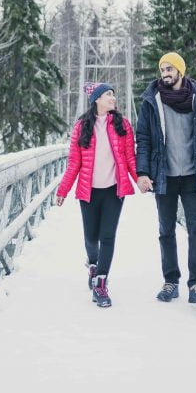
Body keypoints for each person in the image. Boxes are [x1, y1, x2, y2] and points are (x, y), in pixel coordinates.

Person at [135, 52, 196, 305]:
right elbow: (143, 140)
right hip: (164, 175)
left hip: (194, 174)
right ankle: (171, 281)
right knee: (166, 230)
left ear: (180, 72)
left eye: (170, 69)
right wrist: (142, 173)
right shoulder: (152, 101)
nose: (165, 73)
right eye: (162, 69)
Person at [55, 81, 140, 308]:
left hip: (114, 190)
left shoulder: (123, 125)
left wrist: (139, 178)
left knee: (108, 236)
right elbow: (74, 163)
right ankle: (93, 263)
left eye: (114, 94)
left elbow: (130, 158)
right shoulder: (82, 126)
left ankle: (101, 283)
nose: (113, 98)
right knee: (91, 238)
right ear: (97, 100)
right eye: (109, 95)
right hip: (88, 191)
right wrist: (63, 189)